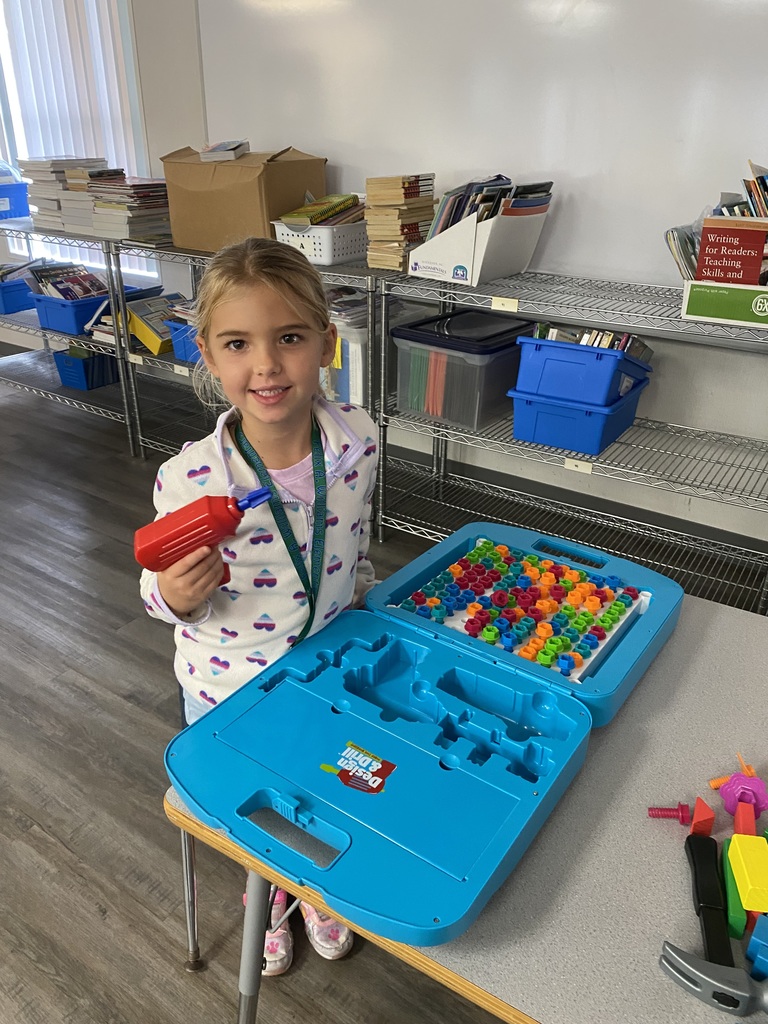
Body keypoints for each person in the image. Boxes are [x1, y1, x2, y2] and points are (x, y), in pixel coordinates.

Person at [139, 236, 379, 975]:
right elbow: (156, 585)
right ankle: (267, 892)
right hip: (229, 689)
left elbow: (358, 531)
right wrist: (173, 596)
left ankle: (315, 891)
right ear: (209, 357)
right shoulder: (189, 478)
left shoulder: (359, 439)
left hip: (329, 672)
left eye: (290, 338)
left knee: (325, 785)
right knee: (260, 806)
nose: (267, 365)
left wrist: (362, 587)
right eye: (238, 344)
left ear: (326, 346)